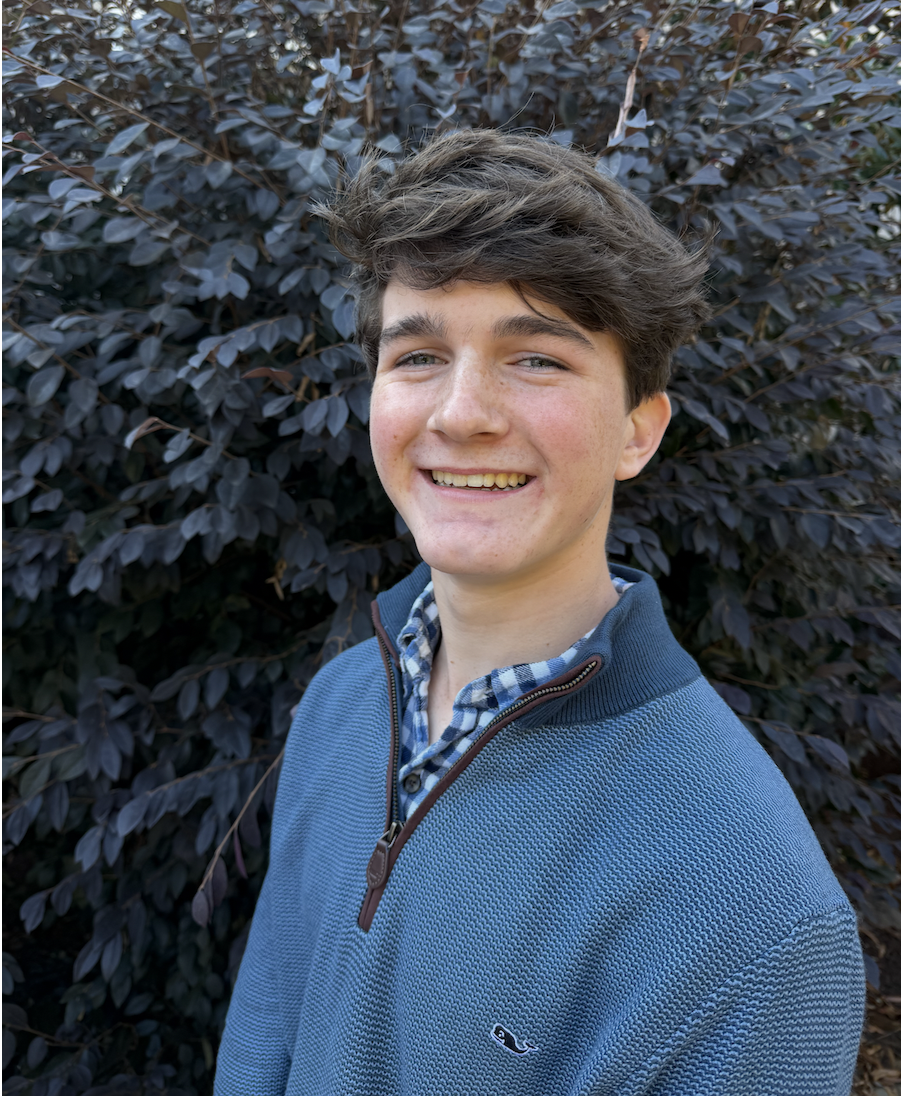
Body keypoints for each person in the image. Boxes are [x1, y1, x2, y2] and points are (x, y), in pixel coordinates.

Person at [214, 129, 865, 1095]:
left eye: (538, 360)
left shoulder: (759, 922)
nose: (463, 412)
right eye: (420, 354)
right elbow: (263, 1042)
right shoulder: (343, 705)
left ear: (638, 433)